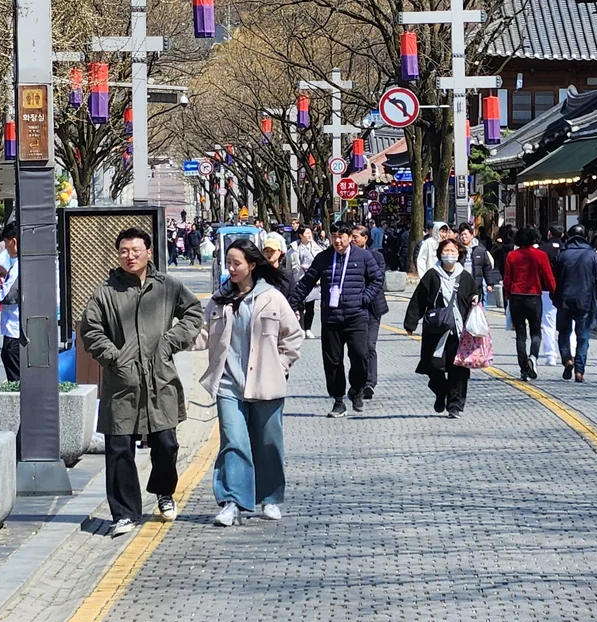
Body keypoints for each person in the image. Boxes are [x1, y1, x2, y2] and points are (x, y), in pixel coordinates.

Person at [79, 227, 203, 536]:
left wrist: (170, 342)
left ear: (148, 252)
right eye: (124, 251)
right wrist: (115, 357)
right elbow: (91, 329)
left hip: (160, 379)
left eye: (136, 250)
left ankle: (163, 491)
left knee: (166, 444)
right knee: (119, 449)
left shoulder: (167, 287)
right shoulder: (106, 291)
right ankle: (124, 513)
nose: (130, 256)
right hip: (122, 382)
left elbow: (193, 312)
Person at [201, 237, 304, 526]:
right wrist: (171, 339)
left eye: (237, 263)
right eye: (228, 263)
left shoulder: (272, 297)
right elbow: (203, 333)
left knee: (268, 443)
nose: (231, 269)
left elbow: (293, 336)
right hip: (228, 384)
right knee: (233, 442)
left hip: (266, 383)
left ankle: (269, 498)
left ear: (252, 265)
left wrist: (281, 366)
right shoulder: (219, 299)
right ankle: (232, 502)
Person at [295, 220, 385, 416]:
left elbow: (377, 279)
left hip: (356, 316)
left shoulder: (363, 257)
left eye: (341, 236)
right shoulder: (323, 258)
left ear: (349, 237)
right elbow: (306, 283)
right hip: (331, 318)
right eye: (334, 236)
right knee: (333, 362)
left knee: (361, 356)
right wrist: (291, 303)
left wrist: (365, 297)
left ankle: (357, 389)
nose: (337, 241)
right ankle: (338, 401)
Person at [403, 234, 484, 417]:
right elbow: (419, 300)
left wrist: (474, 298)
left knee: (458, 368)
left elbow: (474, 293)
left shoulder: (465, 276)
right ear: (440, 253)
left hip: (459, 330)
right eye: (446, 251)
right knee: (433, 365)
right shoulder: (432, 275)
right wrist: (411, 323)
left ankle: (455, 406)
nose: (449, 254)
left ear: (459, 253)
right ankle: (441, 391)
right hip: (436, 330)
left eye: (453, 251)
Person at [503, 227, 555, 381]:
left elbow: (507, 279)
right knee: (536, 331)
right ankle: (533, 356)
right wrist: (553, 291)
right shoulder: (540, 255)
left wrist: (508, 295)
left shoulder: (512, 255)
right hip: (533, 295)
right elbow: (548, 276)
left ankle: (523, 370)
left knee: (520, 333)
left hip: (516, 296)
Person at [551, 226, 597, 382]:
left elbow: (554, 277)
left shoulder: (562, 254)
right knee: (583, 335)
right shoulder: (592, 255)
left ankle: (567, 359)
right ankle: (579, 371)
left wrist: (555, 296)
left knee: (564, 332)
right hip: (585, 299)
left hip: (564, 299)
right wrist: (595, 294)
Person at [351, 223, 386, 400]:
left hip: (372, 308)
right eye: (351, 236)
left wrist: (364, 296)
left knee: (369, 345)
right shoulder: (346, 257)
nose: (353, 240)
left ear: (365, 238)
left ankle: (370, 382)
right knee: (357, 348)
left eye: (356, 237)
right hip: (353, 309)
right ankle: (359, 380)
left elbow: (378, 279)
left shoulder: (377, 256)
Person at [0, 223, 22, 383]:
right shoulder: (22, 264)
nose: (6, 247)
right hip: (18, 326)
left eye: (6, 243)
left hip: (15, 328)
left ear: (14, 241)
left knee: (12, 362)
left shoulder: (19, 266)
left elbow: (7, 296)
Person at [290, 226, 321, 338]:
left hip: (313, 281)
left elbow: (322, 266)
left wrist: (319, 278)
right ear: (301, 235)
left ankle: (308, 329)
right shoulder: (294, 249)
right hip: (298, 279)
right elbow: (289, 266)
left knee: (310, 307)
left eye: (310, 233)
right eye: (307, 233)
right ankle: (301, 328)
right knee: (299, 306)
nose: (309, 235)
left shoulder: (317, 248)